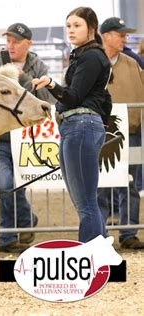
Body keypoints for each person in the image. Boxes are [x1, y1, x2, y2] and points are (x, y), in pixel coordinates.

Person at [33, 6, 112, 243]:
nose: (71, 30)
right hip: (78, 126)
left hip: (80, 125)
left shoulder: (90, 56)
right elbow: (105, 97)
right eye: (68, 26)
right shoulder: (85, 55)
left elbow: (74, 96)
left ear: (92, 28)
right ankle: (101, 252)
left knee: (86, 201)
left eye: (77, 25)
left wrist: (51, 84)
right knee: (85, 201)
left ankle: (92, 255)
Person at [0, 23, 54, 252]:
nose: (10, 45)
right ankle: (24, 221)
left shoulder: (38, 64)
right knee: (5, 185)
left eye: (16, 41)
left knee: (16, 187)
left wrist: (24, 80)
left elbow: (46, 98)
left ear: (28, 44)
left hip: (25, 138)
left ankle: (7, 238)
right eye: (8, 41)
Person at [97, 17, 144, 249]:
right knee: (101, 185)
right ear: (106, 36)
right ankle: (98, 233)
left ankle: (129, 232)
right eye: (120, 34)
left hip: (132, 132)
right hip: (101, 133)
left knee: (130, 183)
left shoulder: (132, 63)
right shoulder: (92, 61)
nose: (125, 38)